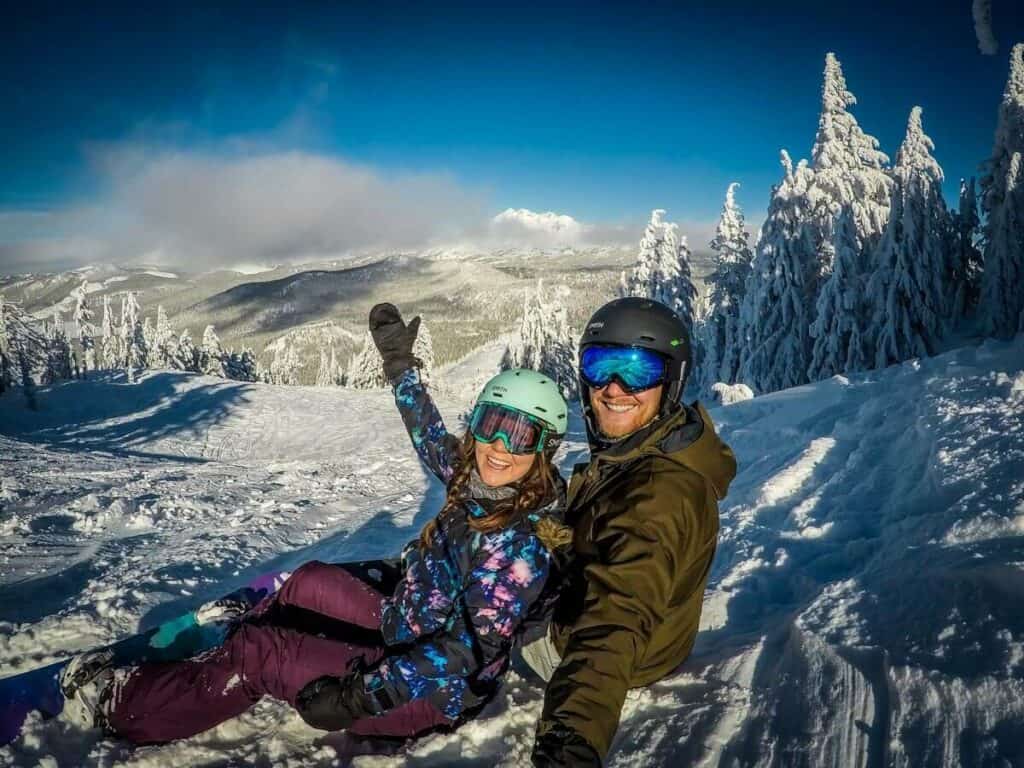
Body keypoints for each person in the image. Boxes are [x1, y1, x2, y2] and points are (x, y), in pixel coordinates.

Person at [60, 303, 572, 745]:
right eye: (491, 425)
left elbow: (462, 652)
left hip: (429, 694)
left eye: (521, 435)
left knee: (261, 655)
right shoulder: (474, 478)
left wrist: (358, 695)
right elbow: (428, 432)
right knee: (309, 579)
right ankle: (247, 633)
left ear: (546, 447)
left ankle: (123, 708)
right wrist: (399, 366)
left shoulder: (522, 548)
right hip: (404, 624)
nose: (499, 447)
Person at [524, 297, 738, 767]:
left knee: (457, 587)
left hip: (591, 648)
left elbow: (616, 618)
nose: (614, 388)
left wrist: (571, 743)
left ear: (671, 380)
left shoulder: (661, 494)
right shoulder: (655, 446)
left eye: (637, 370)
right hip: (643, 637)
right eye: (601, 366)